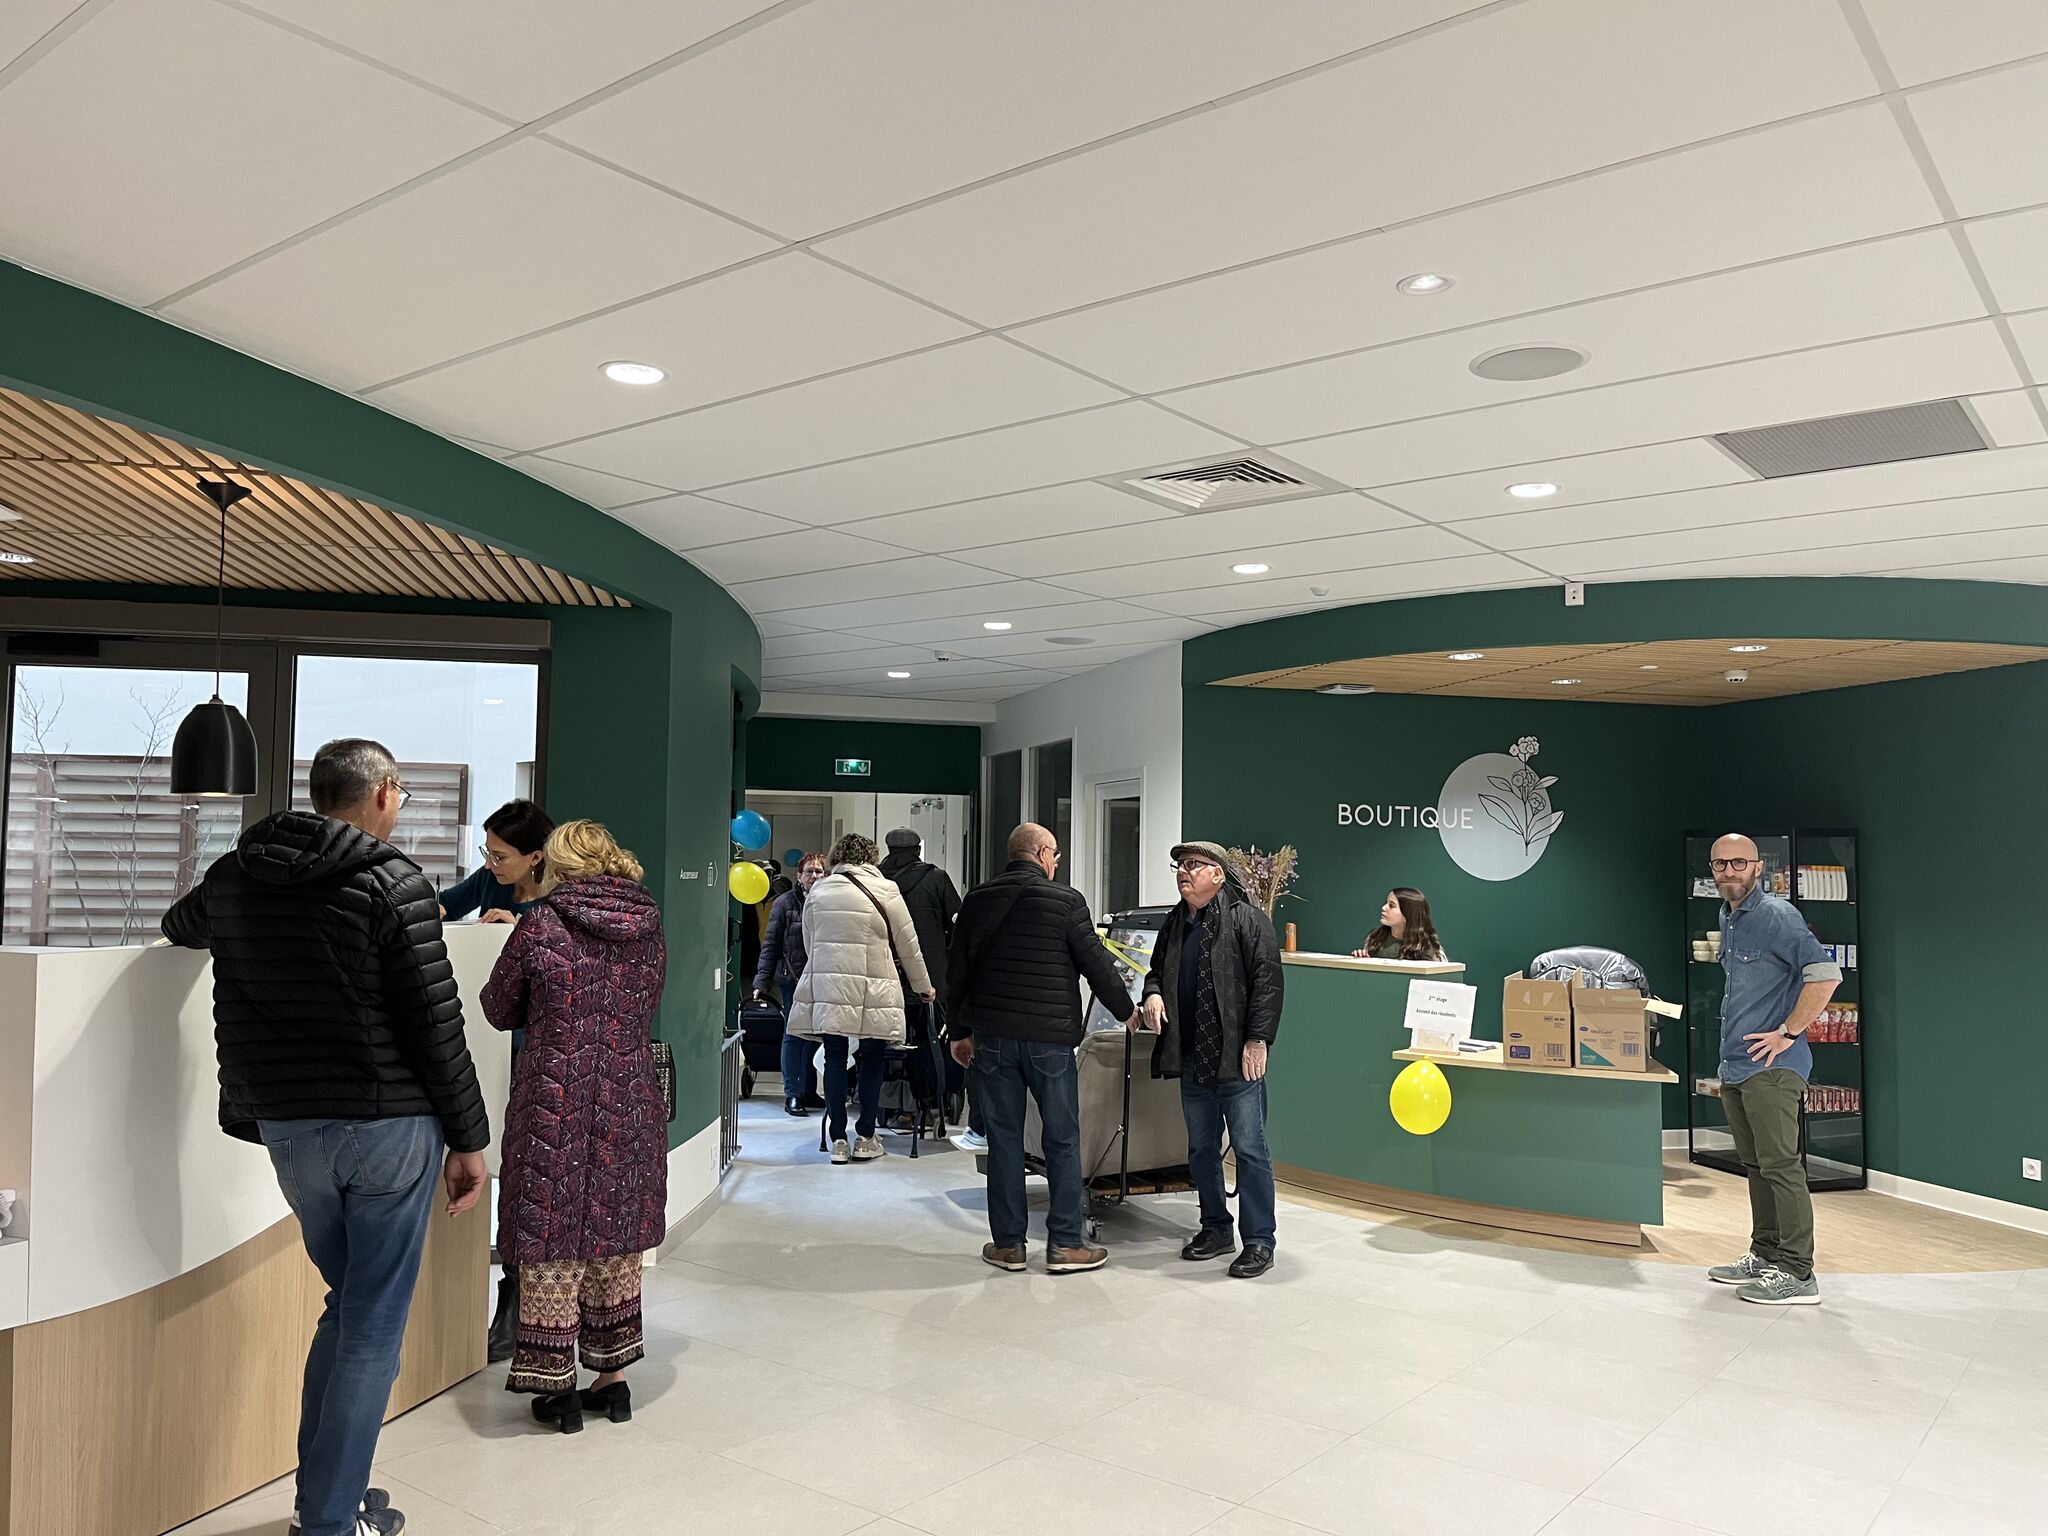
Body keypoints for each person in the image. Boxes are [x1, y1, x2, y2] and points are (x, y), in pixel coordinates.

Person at [162, 738, 488, 1536]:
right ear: (381, 793)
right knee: (371, 1326)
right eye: (400, 793)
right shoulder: (394, 881)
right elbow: (435, 1025)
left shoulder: (235, 875)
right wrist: (469, 1140)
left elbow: (179, 926)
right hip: (388, 1129)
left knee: (349, 1310)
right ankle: (330, 1524)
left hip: (289, 1128)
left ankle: (326, 1503)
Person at [482, 819, 668, 1429]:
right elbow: (648, 1002)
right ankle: (613, 1384)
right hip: (629, 1094)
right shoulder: (648, 924)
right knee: (614, 1235)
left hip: (553, 1098)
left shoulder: (541, 923)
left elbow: (498, 1007)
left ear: (555, 865)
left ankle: (556, 1388)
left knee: (550, 1234)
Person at [947, 823, 1134, 1275]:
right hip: (1050, 1041)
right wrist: (1127, 1011)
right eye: (1056, 855)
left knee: (1004, 1140)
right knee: (1062, 1139)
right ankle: (1065, 1245)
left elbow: (957, 971)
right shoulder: (1066, 901)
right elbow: (1097, 964)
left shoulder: (978, 899)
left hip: (993, 1039)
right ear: (1043, 853)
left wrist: (959, 1032)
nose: (1056, 863)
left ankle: (1009, 1246)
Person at [1139, 841, 1285, 1279]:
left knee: (1249, 1149)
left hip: (1236, 1059)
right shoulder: (1173, 923)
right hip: (1190, 1056)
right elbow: (1154, 970)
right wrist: (1153, 993)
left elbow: (1267, 983)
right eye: (1179, 866)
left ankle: (1259, 1241)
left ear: (1218, 875)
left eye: (1194, 865)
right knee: (1201, 1149)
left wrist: (1258, 1039)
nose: (1183, 872)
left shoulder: (1248, 920)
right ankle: (1216, 1228)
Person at [1706, 833, 1839, 1306]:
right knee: (1756, 1165)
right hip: (1737, 1066)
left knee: (1781, 1166)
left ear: (1759, 867)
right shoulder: (1729, 917)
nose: (1729, 871)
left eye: (1739, 862)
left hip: (1773, 1068)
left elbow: (1825, 976)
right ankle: (1765, 1254)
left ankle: (1799, 1273)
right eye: (1720, 864)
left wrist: (1788, 1032)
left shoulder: (1777, 916)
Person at [787, 832, 934, 1165]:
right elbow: (908, 945)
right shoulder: (886, 889)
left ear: (837, 858)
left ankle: (838, 1140)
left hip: (829, 986)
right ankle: (866, 1137)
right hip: (874, 987)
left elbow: (811, 943)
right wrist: (923, 986)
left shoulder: (818, 891)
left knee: (835, 1058)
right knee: (872, 1059)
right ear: (872, 858)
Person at [879, 826, 963, 1135]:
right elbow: (958, 924)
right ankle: (929, 1103)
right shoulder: (936, 878)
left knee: (887, 1041)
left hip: (886, 977)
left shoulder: (877, 880)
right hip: (930, 978)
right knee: (931, 1039)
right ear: (917, 850)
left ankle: (889, 1102)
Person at [754, 850, 827, 1116]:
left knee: (814, 1036)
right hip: (792, 979)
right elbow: (771, 944)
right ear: (799, 876)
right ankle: (792, 1094)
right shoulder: (784, 903)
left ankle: (808, 1090)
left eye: (819, 871)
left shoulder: (828, 902)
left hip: (820, 978)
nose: (814, 876)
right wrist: (761, 980)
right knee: (793, 1034)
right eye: (809, 871)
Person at [439, 799, 554, 924]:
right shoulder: (490, 877)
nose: (488, 865)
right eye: (488, 852)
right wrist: (434, 910)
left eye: (499, 857)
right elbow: (447, 905)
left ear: (535, 857)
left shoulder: (561, 897)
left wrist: (518, 928)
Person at [1352, 887, 1447, 960]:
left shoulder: (1429, 949)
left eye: (1391, 906)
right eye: (1386, 903)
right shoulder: (1375, 939)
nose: (1384, 907)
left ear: (1407, 915)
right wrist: (1363, 960)